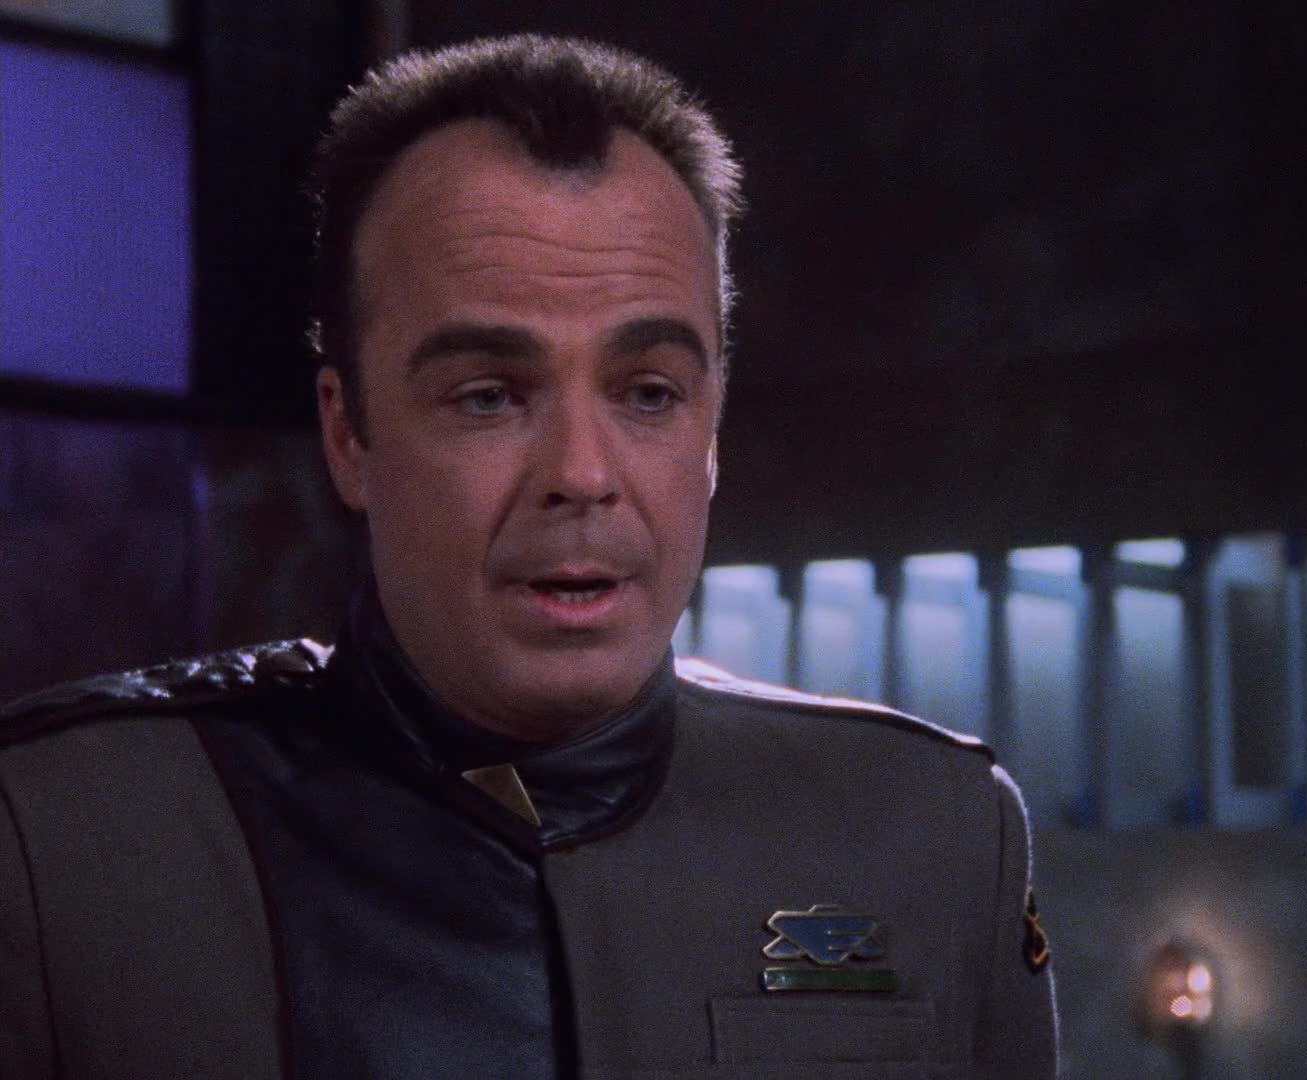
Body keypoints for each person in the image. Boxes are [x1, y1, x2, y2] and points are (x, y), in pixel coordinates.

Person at [0, 34, 1057, 1079]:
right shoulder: (64, 846)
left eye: (649, 393)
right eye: (489, 397)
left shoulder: (933, 835)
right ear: (349, 434)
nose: (582, 474)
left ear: (713, 430)